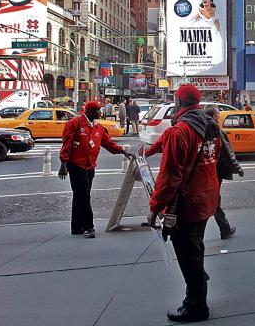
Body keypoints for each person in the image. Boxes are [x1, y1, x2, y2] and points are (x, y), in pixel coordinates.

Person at [143, 85, 221, 322]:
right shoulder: (211, 125)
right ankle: (197, 288)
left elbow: (169, 176)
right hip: (208, 196)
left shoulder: (180, 131)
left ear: (178, 103)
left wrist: (154, 207)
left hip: (188, 203)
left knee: (188, 254)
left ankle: (196, 305)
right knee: (195, 247)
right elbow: (217, 159)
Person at [58, 101, 133, 238]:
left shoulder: (98, 127)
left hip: (90, 165)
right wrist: (63, 164)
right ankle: (88, 227)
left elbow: (108, 143)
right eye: (98, 110)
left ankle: (77, 227)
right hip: (76, 165)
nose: (100, 112)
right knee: (83, 196)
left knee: (79, 196)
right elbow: (66, 144)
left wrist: (122, 151)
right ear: (90, 111)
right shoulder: (75, 123)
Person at [203, 105, 244, 239]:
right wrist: (237, 168)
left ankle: (224, 228)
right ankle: (224, 228)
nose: (219, 117)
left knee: (212, 199)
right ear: (214, 116)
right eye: (218, 115)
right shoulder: (217, 131)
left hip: (204, 170)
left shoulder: (199, 129)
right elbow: (227, 152)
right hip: (215, 170)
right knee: (213, 200)